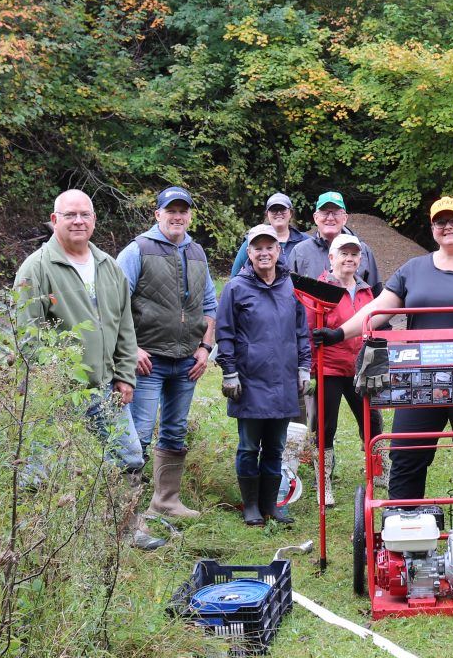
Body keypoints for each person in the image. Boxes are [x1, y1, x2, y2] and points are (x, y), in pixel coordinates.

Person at [314, 197, 453, 502]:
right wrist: (339, 333)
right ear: (433, 228)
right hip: (421, 378)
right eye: (440, 222)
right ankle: (404, 518)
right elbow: (377, 310)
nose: (448, 227)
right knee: (407, 452)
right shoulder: (414, 269)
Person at [13, 189, 154, 548]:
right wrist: (56, 378)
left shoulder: (108, 266)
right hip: (56, 393)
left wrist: (124, 375)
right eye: (70, 215)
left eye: (85, 214)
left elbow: (124, 327)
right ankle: (33, 538)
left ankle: (126, 530)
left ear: (94, 220)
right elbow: (28, 335)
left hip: (105, 388)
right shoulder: (36, 268)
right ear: (54, 219)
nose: (78, 221)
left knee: (129, 457)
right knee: (38, 470)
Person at [116, 185, 217, 521]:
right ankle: (126, 512)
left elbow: (210, 305)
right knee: (139, 435)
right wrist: (130, 348)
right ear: (157, 214)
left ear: (189, 216)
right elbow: (115, 302)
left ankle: (165, 501)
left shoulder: (198, 253)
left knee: (175, 431)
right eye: (170, 210)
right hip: (148, 361)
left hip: (187, 361)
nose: (177, 216)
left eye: (182, 211)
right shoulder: (137, 250)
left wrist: (205, 348)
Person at [216, 224, 312, 527]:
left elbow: (301, 331)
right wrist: (229, 372)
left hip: (283, 380)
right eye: (257, 248)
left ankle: (271, 505)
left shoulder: (290, 286)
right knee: (248, 446)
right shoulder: (235, 288)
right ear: (249, 252)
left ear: (278, 250)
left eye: (269, 247)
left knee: (275, 447)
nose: (264, 253)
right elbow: (225, 332)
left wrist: (304, 366)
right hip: (249, 381)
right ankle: (251, 506)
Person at [314, 233, 382, 506]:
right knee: (326, 425)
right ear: (332, 258)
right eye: (344, 254)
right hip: (330, 366)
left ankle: (379, 471)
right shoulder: (321, 288)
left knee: (372, 419)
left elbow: (374, 325)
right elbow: (309, 328)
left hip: (361, 366)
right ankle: (324, 482)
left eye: (354, 254)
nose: (349, 259)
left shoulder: (366, 290)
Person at [289, 190, 382, 288]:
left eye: (336, 213)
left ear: (345, 218)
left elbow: (376, 292)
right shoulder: (300, 252)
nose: (330, 218)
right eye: (325, 213)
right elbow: (288, 291)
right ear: (316, 218)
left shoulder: (362, 250)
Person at [231, 192, 309, 277]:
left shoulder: (306, 241)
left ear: (290, 213)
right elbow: (235, 277)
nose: (278, 213)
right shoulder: (252, 241)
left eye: (282, 209)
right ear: (267, 214)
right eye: (274, 209)